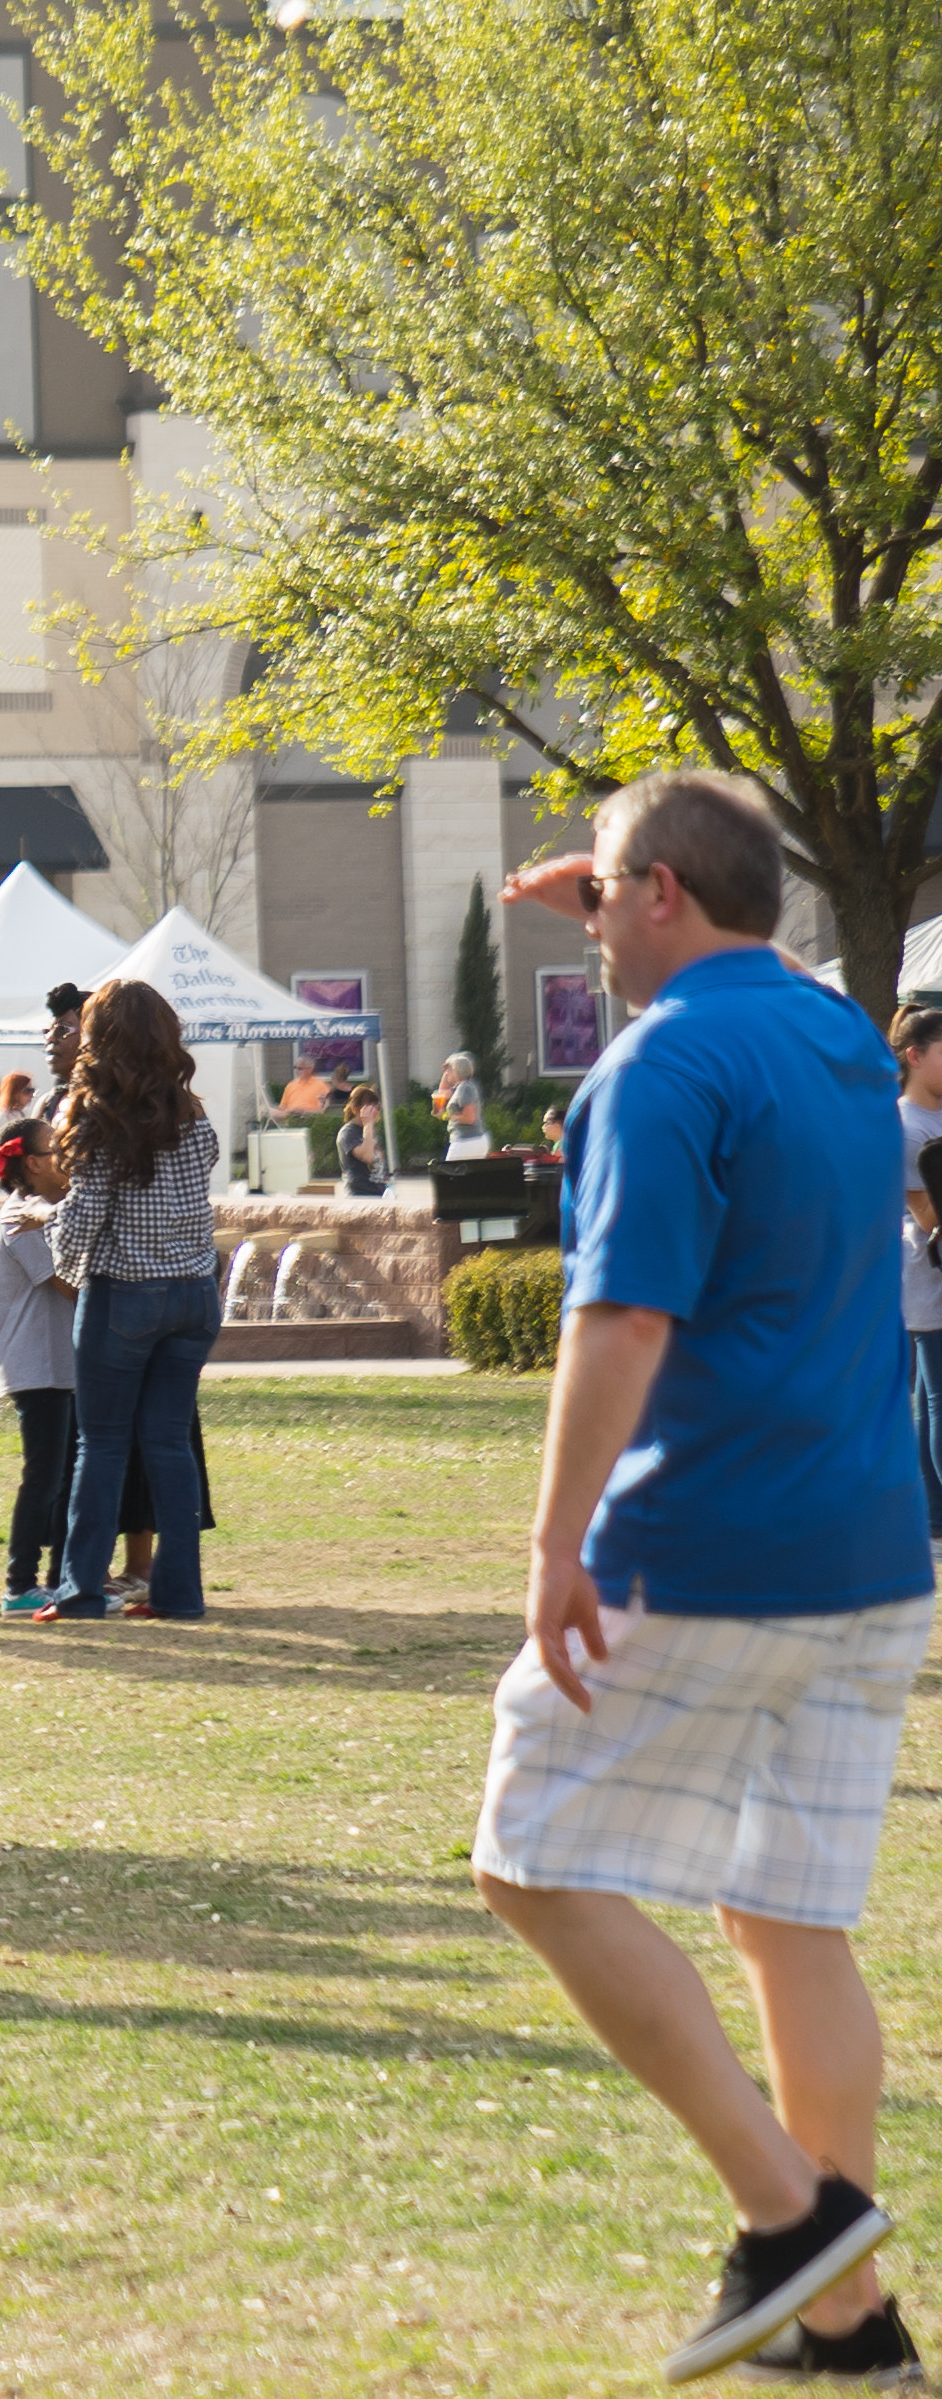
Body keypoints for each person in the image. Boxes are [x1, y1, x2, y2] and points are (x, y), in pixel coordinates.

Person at [479, 774, 939, 2385]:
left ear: (659, 896)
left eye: (606, 896)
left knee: (527, 1863)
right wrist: (609, 884)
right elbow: (709, 925)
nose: (588, 917)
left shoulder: (656, 1067)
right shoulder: (839, 1040)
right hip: (875, 1552)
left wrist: (552, 1547)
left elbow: (623, 1321)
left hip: (714, 1543)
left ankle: (791, 2218)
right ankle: (851, 2321)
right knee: (790, 1917)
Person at [31, 978, 229, 1623]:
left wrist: (48, 1230)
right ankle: (178, 1593)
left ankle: (80, 1591)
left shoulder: (99, 1117)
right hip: (195, 1294)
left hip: (126, 1295)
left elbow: (86, 1216)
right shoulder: (194, 1117)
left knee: (103, 1446)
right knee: (169, 1444)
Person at [0, 1122, 80, 1615]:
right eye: (57, 1146)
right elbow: (67, 1284)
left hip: (59, 1362)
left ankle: (62, 1577)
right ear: (35, 1163)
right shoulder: (20, 1217)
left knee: (64, 1475)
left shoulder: (46, 1211)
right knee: (44, 1476)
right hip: (36, 1362)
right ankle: (20, 1584)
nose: (67, 1151)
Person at [893, 1006, 942, 1536]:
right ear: (915, 1056)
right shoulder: (905, 1128)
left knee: (931, 1399)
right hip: (927, 1272)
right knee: (938, 1396)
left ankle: (932, 1514)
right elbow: (927, 1214)